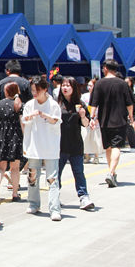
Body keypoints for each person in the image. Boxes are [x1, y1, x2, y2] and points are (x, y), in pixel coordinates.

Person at [22, 76, 63, 220]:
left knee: (52, 178)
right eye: (33, 90)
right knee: (32, 177)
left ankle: (54, 208)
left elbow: (57, 121)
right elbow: (24, 120)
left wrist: (46, 116)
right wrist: (29, 117)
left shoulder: (53, 105)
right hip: (34, 146)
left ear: (45, 89)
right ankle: (33, 203)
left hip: (50, 146)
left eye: (37, 90)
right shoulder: (29, 104)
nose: (34, 93)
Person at [89, 59, 134, 188]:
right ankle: (111, 172)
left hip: (104, 121)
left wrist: (92, 117)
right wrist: (131, 116)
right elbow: (129, 103)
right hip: (120, 120)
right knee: (116, 147)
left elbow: (94, 103)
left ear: (105, 68)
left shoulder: (99, 83)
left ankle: (111, 172)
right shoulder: (122, 84)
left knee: (108, 147)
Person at [57, 76, 94, 210]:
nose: (65, 88)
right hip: (59, 145)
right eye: (63, 85)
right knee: (56, 173)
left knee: (78, 172)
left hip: (75, 144)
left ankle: (84, 196)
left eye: (68, 85)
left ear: (74, 88)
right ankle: (55, 197)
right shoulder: (57, 104)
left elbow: (86, 124)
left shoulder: (80, 104)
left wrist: (83, 115)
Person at [0, 82, 25, 203]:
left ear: (6, 92)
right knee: (15, 168)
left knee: (0, 167)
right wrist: (25, 138)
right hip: (15, 137)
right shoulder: (19, 105)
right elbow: (22, 123)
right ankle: (15, 194)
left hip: (0, 137)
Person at [81, 78, 102, 163]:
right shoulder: (84, 96)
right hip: (86, 119)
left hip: (96, 120)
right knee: (85, 137)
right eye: (88, 85)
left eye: (91, 86)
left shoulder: (99, 96)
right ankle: (87, 156)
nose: (89, 87)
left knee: (95, 139)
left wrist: (98, 119)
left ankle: (96, 157)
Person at [125, 77, 135, 152]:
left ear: (131, 82)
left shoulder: (134, 90)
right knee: (129, 127)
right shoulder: (124, 90)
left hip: (132, 110)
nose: (126, 83)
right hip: (126, 110)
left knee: (133, 126)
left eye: (127, 82)